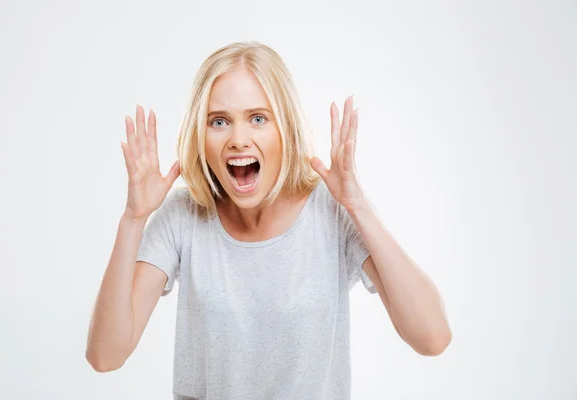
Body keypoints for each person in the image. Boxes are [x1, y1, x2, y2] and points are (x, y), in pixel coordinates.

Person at [86, 41, 452, 399]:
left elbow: (432, 337)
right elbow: (106, 356)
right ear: (200, 134)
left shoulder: (331, 212)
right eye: (219, 121)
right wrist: (133, 219)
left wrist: (357, 206)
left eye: (258, 118)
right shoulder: (184, 216)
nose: (238, 139)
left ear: (286, 129)